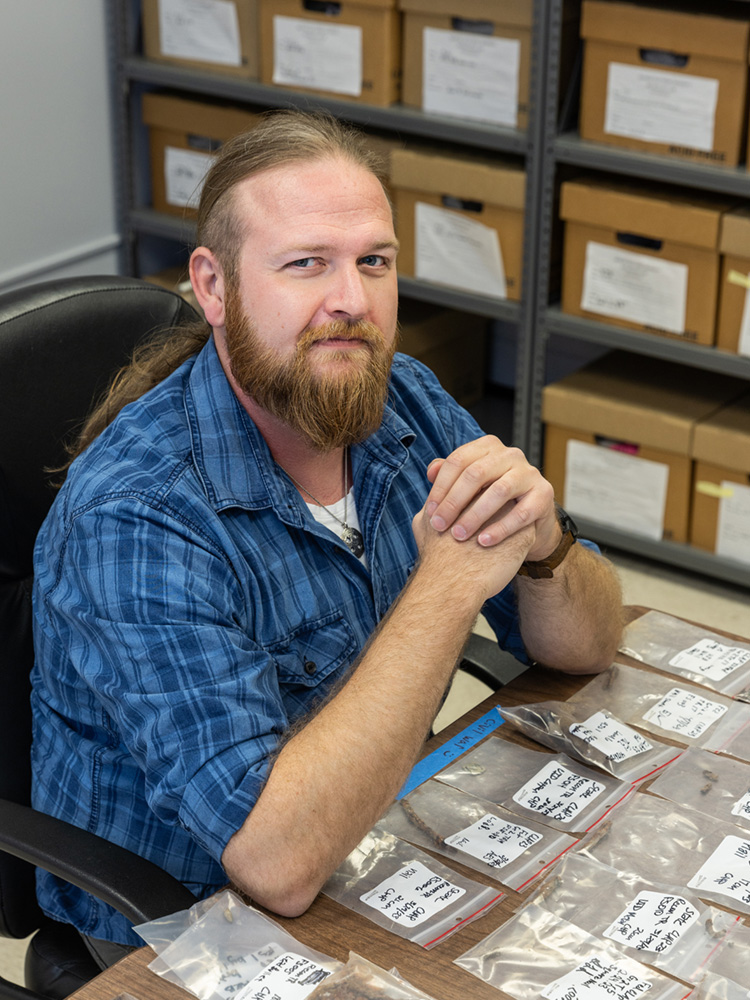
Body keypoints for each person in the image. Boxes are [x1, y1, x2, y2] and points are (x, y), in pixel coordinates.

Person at [31, 110, 623, 959]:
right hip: (180, 930)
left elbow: (588, 649)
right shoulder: (135, 516)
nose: (352, 301)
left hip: (370, 837)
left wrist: (544, 548)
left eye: (373, 262)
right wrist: (449, 583)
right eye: (306, 263)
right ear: (214, 287)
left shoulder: (405, 399)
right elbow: (274, 865)